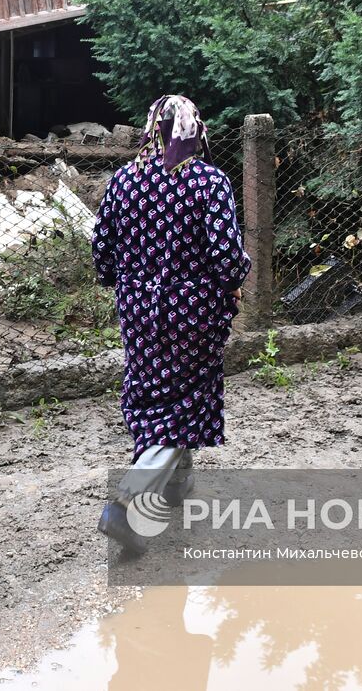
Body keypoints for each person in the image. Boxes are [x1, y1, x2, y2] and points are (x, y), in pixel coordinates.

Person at [91, 94, 251, 554]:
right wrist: (236, 279)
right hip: (194, 309)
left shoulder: (123, 181)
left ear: (151, 131)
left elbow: (102, 253)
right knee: (186, 398)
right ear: (195, 131)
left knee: (150, 390)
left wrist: (129, 282)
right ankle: (126, 503)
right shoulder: (208, 181)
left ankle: (177, 487)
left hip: (139, 309)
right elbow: (225, 256)